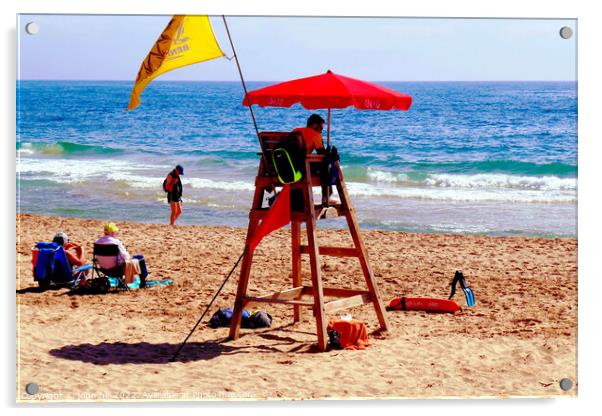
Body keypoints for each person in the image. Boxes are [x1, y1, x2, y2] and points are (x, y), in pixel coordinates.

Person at [292, 114, 338, 206]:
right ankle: (326, 197)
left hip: (288, 166)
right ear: (314, 125)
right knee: (327, 165)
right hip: (302, 169)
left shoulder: (296, 131)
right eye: (320, 128)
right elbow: (321, 154)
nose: (321, 131)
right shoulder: (315, 135)